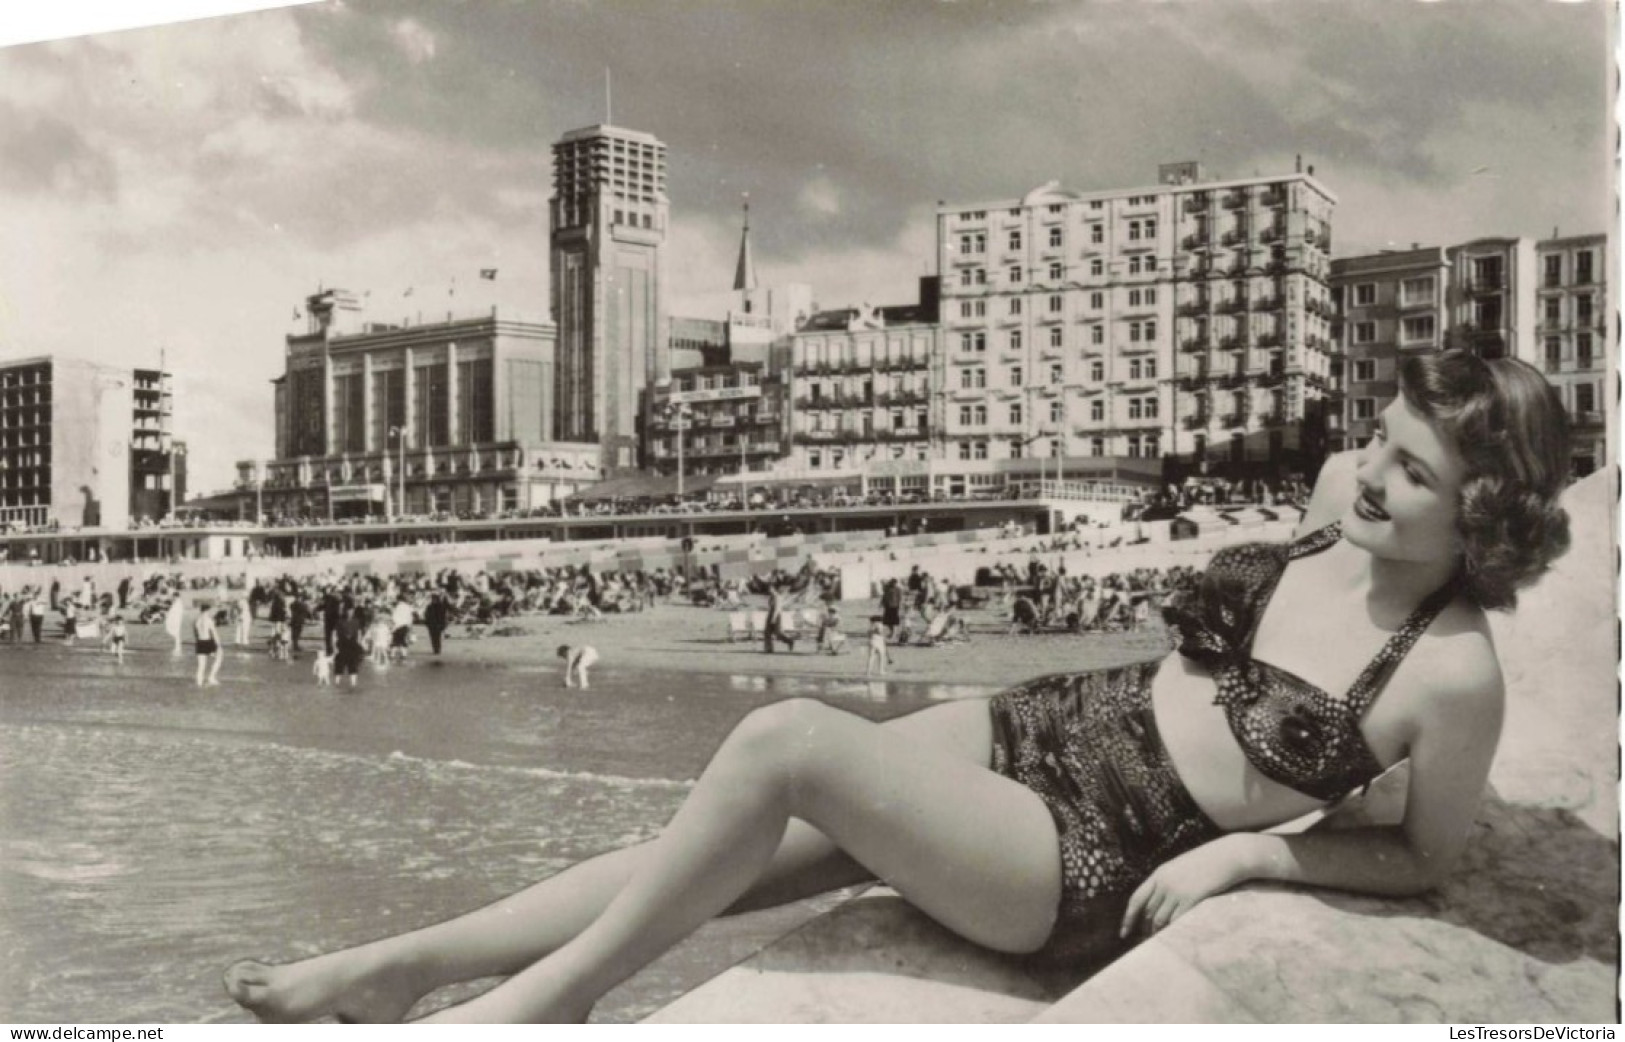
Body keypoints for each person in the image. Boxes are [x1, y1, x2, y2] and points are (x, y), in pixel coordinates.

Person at [223, 352, 1571, 1025]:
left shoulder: (1452, 672)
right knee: (715, 847)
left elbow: (1422, 860)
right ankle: (401, 963)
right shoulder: (1339, 500)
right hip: (1050, 719)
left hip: (1093, 853)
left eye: (1414, 475)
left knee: (785, 739)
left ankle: (543, 1007)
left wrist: (1254, 863)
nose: (1372, 477)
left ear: (1490, 511)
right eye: (1382, 444)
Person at [194, 601, 222, 687]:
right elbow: (214, 633)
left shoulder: (197, 620)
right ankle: (211, 677)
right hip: (208, 641)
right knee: (219, 657)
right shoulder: (209, 620)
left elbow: (196, 633)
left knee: (201, 664)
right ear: (207, 610)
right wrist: (218, 645)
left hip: (199, 642)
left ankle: (199, 682)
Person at [762, 585, 795, 654]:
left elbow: (777, 608)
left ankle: (789, 641)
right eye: (769, 589)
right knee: (767, 632)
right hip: (770, 614)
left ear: (774, 589)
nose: (769, 590)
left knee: (778, 633)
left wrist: (773, 618)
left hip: (776, 615)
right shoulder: (771, 597)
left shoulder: (777, 597)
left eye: (771, 589)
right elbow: (770, 607)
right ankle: (769, 648)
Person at [423, 591, 449, 656]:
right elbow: (426, 615)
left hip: (438, 624)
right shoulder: (430, 607)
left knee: (437, 637)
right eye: (433, 598)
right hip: (432, 625)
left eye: (435, 598)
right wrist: (427, 623)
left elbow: (443, 616)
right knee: (433, 637)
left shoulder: (440, 606)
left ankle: (437, 649)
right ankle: (435, 649)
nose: (433, 600)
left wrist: (443, 624)